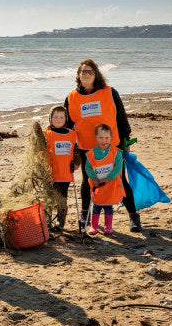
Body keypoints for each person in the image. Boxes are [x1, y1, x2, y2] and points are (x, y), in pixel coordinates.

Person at [64, 59, 141, 232]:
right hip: (87, 147)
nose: (86, 74)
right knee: (88, 180)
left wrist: (125, 140)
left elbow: (121, 117)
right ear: (78, 74)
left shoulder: (110, 92)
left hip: (110, 145)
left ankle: (133, 216)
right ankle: (85, 213)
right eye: (83, 71)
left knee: (120, 180)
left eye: (90, 72)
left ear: (96, 75)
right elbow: (67, 125)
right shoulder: (71, 97)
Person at [41, 106, 80, 231]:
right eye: (55, 117)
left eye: (61, 117)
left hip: (64, 173)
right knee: (48, 199)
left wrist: (76, 162)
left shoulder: (72, 134)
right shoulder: (46, 133)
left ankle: (60, 222)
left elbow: (76, 151)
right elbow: (39, 149)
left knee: (62, 199)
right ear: (50, 118)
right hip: (49, 173)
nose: (58, 119)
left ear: (66, 119)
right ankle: (47, 222)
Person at [84, 124, 124, 235]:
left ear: (111, 138)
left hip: (109, 184)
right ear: (96, 138)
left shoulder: (116, 152)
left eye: (106, 138)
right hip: (97, 185)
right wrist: (93, 178)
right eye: (101, 138)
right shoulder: (92, 153)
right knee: (96, 206)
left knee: (108, 207)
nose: (104, 140)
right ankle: (94, 226)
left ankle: (108, 227)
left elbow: (118, 167)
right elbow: (87, 167)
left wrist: (108, 178)